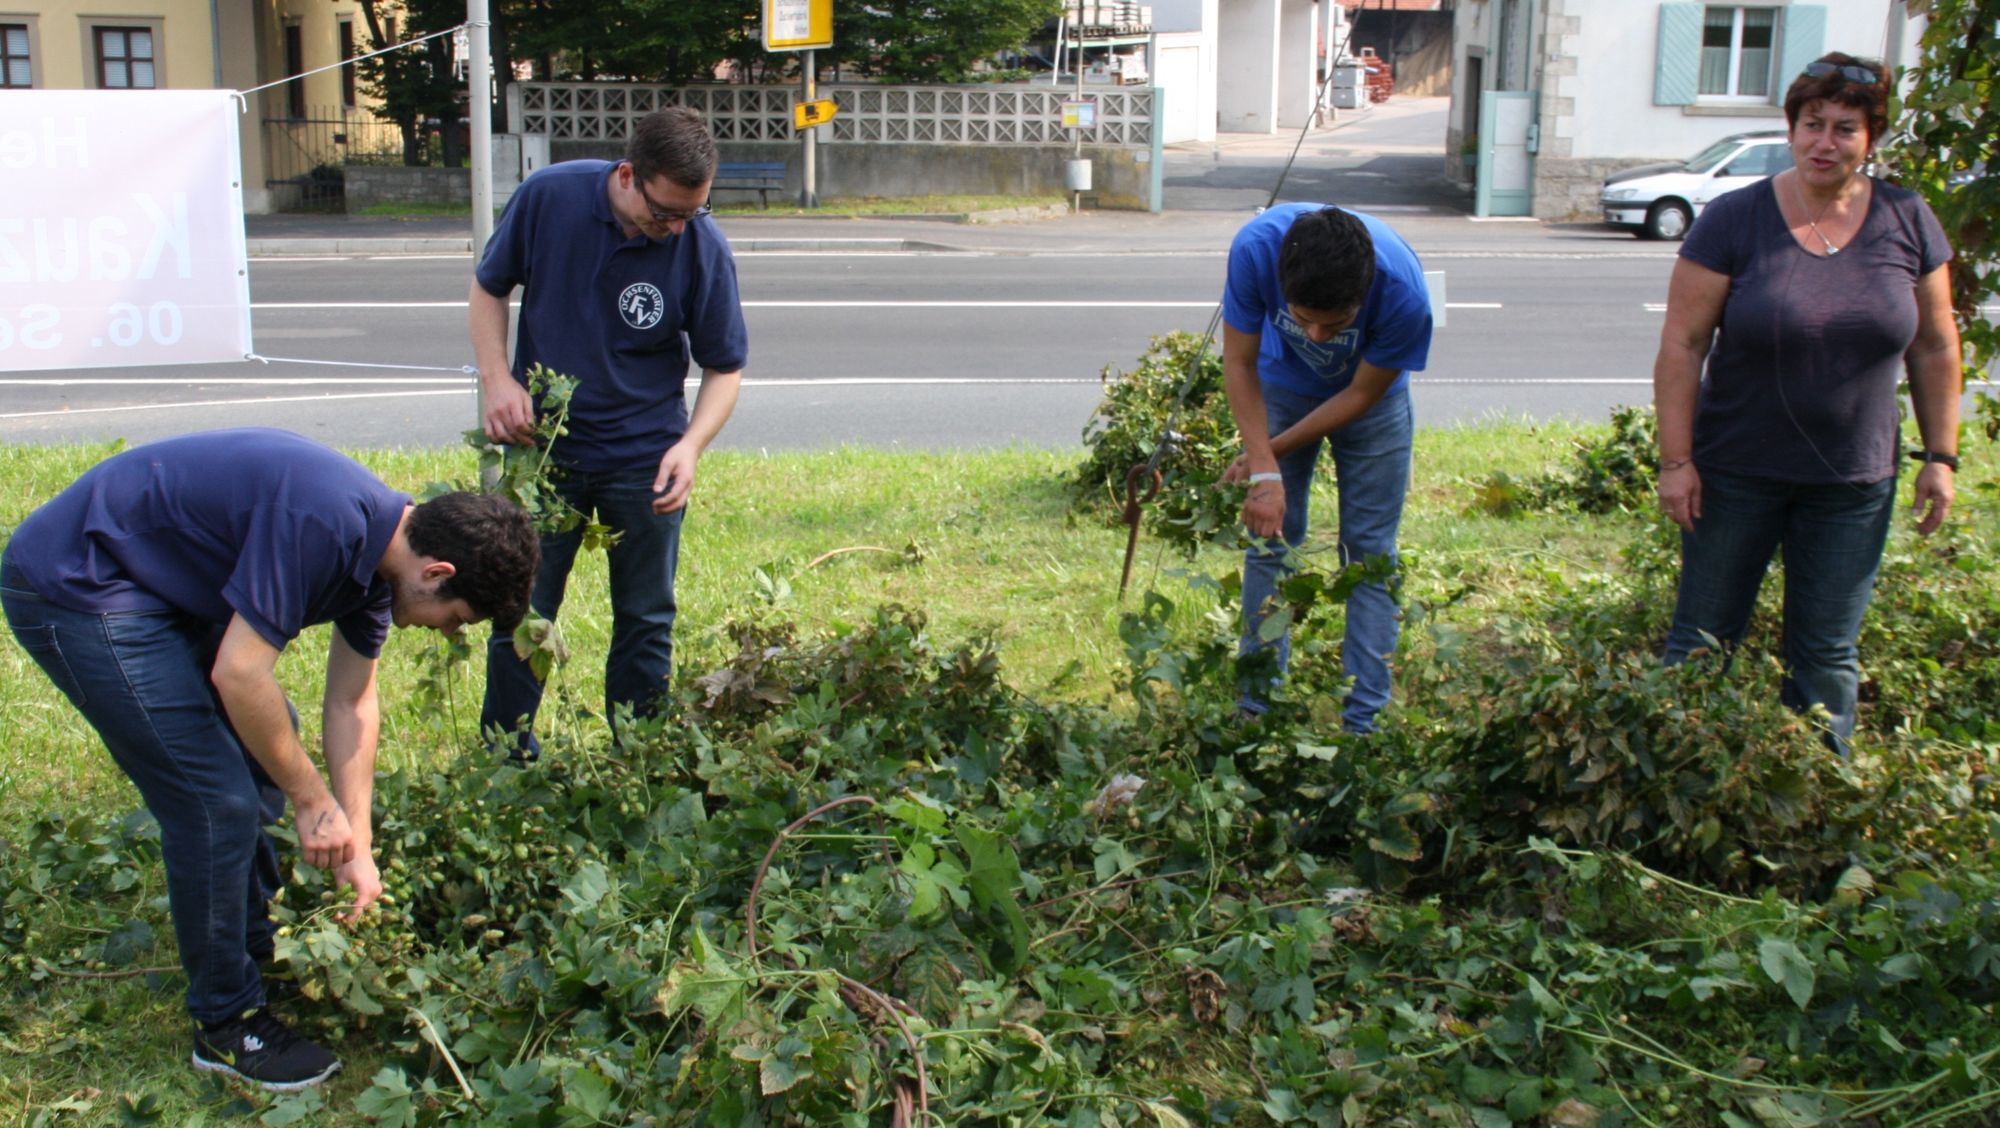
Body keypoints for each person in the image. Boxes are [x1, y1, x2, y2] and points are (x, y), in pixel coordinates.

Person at [0, 428, 538, 1090]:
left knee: (264, 758)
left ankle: (250, 951)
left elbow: (352, 703)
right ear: (437, 573)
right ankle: (227, 1026)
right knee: (215, 802)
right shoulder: (325, 523)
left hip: (162, 586)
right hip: (78, 581)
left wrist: (357, 844)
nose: (448, 631)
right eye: (456, 617)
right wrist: (314, 802)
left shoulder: (380, 561)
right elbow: (241, 675)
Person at [1654, 52, 1961, 750]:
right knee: (1700, 647)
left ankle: (1813, 810)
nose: (1826, 143)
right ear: (1790, 129)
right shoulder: (1735, 219)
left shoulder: (1907, 219)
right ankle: (1672, 785)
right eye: (1812, 125)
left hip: (1852, 483)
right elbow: (1682, 346)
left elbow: (1937, 347)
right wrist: (1677, 463)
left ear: (1871, 137)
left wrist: (1940, 456)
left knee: (1825, 661)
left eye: (1845, 128)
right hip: (1734, 475)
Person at [471, 105, 748, 760]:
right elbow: (489, 289)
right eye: (665, 213)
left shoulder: (699, 243)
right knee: (521, 612)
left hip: (643, 462)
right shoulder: (548, 199)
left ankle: (638, 758)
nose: (676, 227)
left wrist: (690, 446)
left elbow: (725, 367)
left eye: (692, 213)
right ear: (628, 175)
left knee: (646, 619)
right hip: (542, 458)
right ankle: (505, 760)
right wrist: (498, 382)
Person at [1219, 204, 1434, 733]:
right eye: (1302, 318)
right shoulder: (1255, 251)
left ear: (1362, 297)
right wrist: (1266, 470)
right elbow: (1239, 361)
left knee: (1368, 553)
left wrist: (1268, 457)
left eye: (1333, 324)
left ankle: (1364, 722)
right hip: (1281, 387)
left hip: (1373, 407)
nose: (1315, 336)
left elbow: (1362, 393)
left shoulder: (1404, 293)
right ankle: (1257, 703)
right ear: (1282, 282)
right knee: (1270, 539)